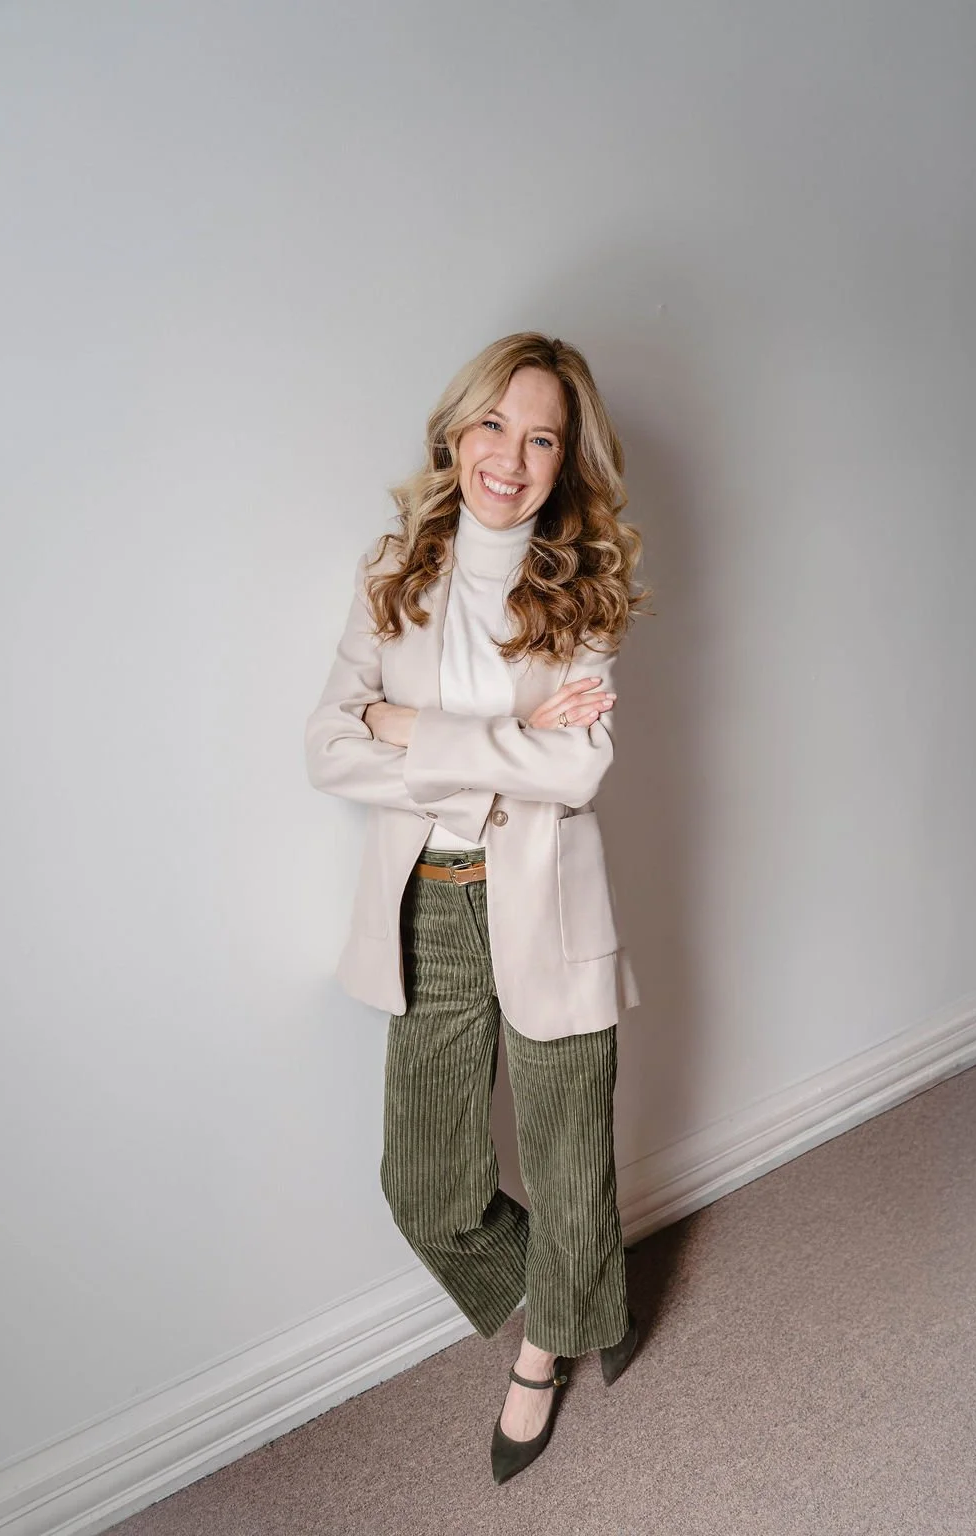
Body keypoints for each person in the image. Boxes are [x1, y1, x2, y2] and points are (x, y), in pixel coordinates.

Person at [305, 331, 647, 1484]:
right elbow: (325, 751)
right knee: (426, 1188)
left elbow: (578, 774)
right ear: (456, 433)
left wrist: (407, 730)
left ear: (564, 459)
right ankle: (582, 1281)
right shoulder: (390, 570)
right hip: (430, 907)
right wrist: (502, 745)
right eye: (494, 424)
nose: (512, 455)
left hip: (548, 902)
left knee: (565, 1159)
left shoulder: (586, 584)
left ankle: (544, 1349)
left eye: (541, 435)